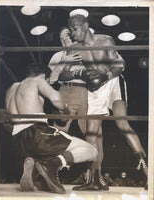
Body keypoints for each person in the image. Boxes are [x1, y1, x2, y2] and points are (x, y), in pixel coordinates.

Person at [59, 10, 147, 191]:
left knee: (122, 124)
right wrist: (80, 72)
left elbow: (119, 64)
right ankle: (95, 179)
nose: (73, 33)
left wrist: (104, 74)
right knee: (92, 133)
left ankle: (148, 171)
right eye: (71, 30)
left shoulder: (105, 40)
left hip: (113, 83)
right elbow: (63, 74)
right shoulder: (76, 48)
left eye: (75, 29)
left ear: (85, 26)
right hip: (94, 89)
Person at [4, 63, 98, 194]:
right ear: (46, 78)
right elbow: (56, 98)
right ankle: (52, 165)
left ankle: (35, 174)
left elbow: (8, 120)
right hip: (36, 132)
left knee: (46, 150)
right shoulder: (38, 80)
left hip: (18, 140)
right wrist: (65, 108)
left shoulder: (12, 88)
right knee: (91, 151)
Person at [49, 27, 88, 135]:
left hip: (86, 91)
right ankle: (57, 151)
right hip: (66, 90)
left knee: (91, 129)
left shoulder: (86, 52)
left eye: (68, 36)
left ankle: (95, 152)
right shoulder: (58, 56)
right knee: (60, 129)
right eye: (62, 37)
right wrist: (63, 62)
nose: (65, 39)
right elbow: (51, 80)